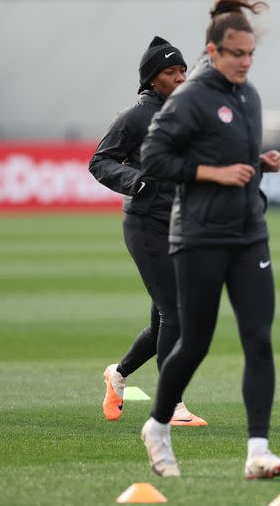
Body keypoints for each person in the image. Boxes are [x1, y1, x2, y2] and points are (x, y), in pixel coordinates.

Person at [139, 0, 280, 479]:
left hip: (249, 233)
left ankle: (258, 452)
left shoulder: (248, 95)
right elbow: (154, 158)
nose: (246, 63)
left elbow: (234, 160)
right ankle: (158, 426)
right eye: (237, 54)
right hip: (199, 237)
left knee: (260, 341)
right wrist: (213, 174)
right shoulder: (190, 98)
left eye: (251, 54)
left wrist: (257, 164)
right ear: (213, 52)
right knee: (196, 342)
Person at [89, 36, 206, 427]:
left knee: (163, 319)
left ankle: (117, 375)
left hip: (180, 226)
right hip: (145, 224)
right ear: (152, 79)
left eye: (182, 70)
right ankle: (171, 406)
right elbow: (100, 161)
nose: (180, 77)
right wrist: (137, 181)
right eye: (171, 72)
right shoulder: (136, 116)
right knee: (175, 312)